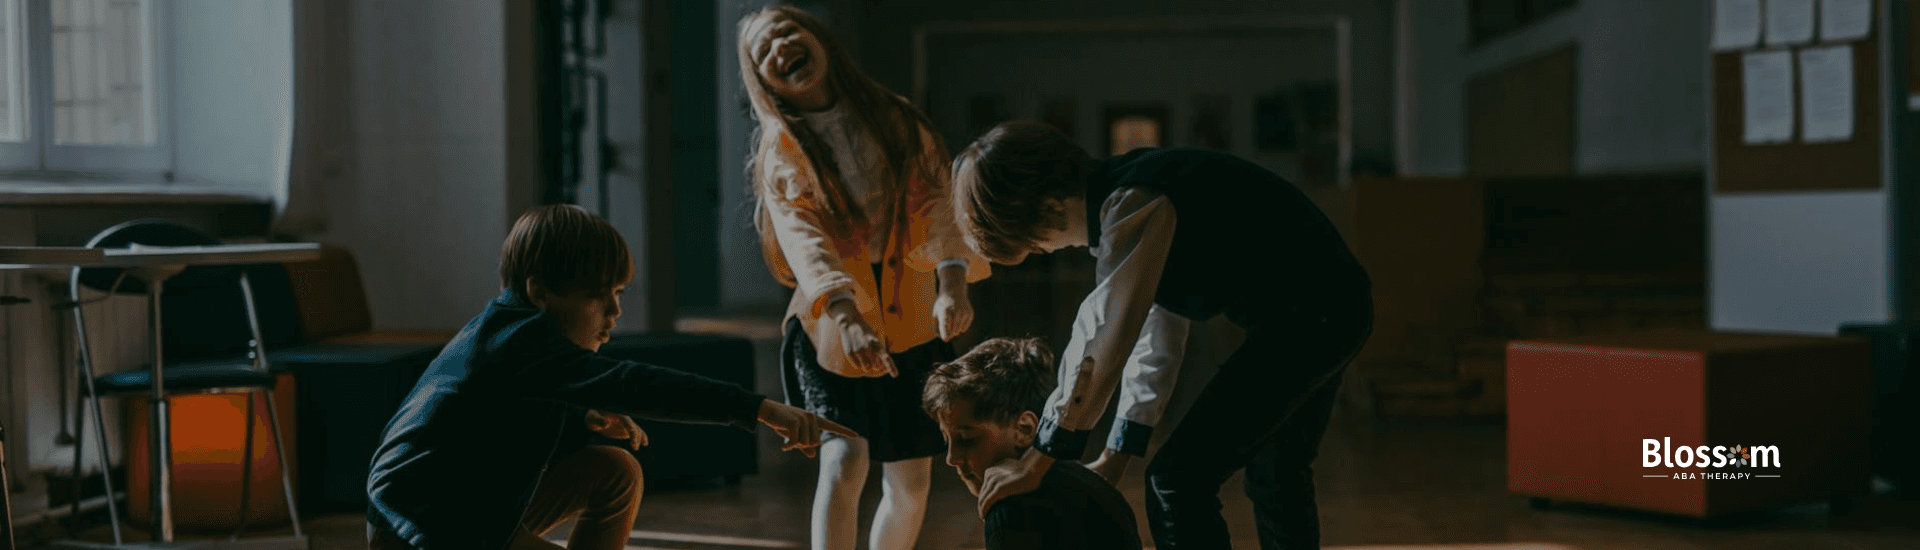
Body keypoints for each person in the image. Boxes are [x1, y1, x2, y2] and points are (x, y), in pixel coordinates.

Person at [951, 120, 1374, 550]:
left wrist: (1041, 455)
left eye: (1031, 243)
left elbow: (1105, 332)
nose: (1043, 251)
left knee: (1178, 480)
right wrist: (1117, 454)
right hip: (1330, 309)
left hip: (1311, 318)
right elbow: (1156, 336)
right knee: (1276, 472)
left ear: (1043, 211)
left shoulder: (1135, 201)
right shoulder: (1137, 194)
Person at [365, 204, 855, 550]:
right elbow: (635, 382)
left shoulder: (515, 334)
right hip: (421, 530)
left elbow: (489, 431)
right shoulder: (517, 343)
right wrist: (759, 408)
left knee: (614, 472)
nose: (616, 312)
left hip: (459, 508)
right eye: (599, 296)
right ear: (541, 292)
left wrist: (582, 419)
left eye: (619, 292)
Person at [736, 5, 990, 550]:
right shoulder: (782, 150)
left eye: (787, 32)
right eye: (763, 51)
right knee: (845, 458)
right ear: (762, 80)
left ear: (818, 38)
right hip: (832, 322)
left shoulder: (896, 119)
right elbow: (805, 239)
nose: (779, 46)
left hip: (913, 310)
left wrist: (952, 284)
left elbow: (938, 203)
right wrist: (845, 315)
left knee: (911, 476)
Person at [923, 337, 1143, 550]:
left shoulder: (1008, 511)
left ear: (1025, 429)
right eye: (946, 439)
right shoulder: (1093, 483)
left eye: (966, 439)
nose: (951, 458)